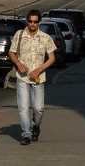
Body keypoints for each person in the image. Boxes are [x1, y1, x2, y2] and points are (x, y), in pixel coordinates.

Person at [8, 9, 56, 146]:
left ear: (39, 22)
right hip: (22, 77)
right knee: (23, 107)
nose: (32, 24)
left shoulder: (45, 37)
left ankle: (36, 125)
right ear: (27, 21)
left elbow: (52, 58)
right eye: (30, 21)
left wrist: (39, 69)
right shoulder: (19, 35)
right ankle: (26, 134)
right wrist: (18, 64)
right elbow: (11, 53)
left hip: (38, 78)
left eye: (35, 21)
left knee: (38, 108)